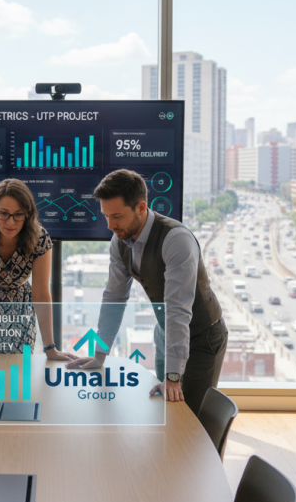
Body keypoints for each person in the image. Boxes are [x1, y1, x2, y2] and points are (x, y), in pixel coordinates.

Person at [67, 169, 227, 415]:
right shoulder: (119, 241)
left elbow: (177, 308)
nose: (110, 225)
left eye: (117, 216)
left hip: (202, 336)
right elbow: (114, 297)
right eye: (106, 216)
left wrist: (173, 375)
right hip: (166, 334)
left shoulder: (176, 239)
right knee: (164, 413)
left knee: (191, 420)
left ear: (141, 208)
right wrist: (100, 355)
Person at [0, 179, 77, 361]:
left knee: (18, 371)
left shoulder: (40, 238)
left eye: (18, 214)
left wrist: (50, 349)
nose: (10, 222)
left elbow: (42, 295)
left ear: (28, 214)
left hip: (19, 308)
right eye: (3, 214)